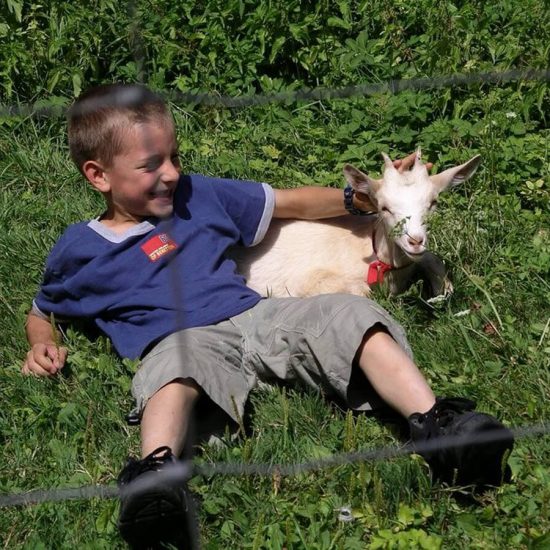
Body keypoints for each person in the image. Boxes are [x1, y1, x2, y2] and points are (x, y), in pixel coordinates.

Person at [22, 83, 513, 549]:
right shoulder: (82, 250)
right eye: (152, 165)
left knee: (348, 313)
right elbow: (44, 307)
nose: (171, 173)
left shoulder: (197, 195)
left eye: (175, 157)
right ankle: (155, 475)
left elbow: (285, 202)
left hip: (254, 312)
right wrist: (40, 340)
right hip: (182, 337)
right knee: (173, 373)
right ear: (98, 175)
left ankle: (438, 425)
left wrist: (355, 199)